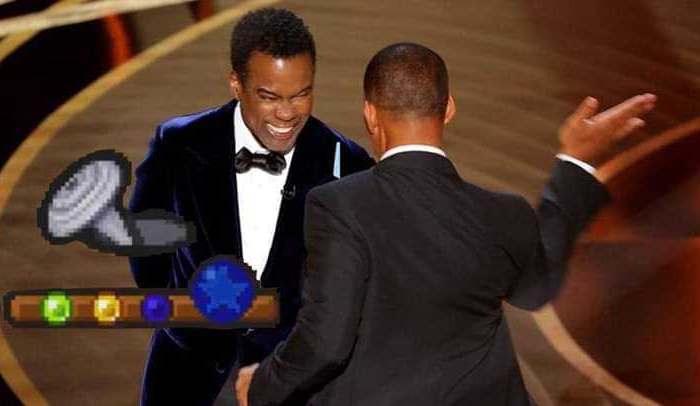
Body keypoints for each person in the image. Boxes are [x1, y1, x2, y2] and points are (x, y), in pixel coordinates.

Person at [235, 43, 656, 405]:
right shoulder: (503, 213)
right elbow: (535, 288)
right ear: (449, 108)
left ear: (370, 114)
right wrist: (575, 160)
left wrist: (262, 386)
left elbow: (325, 343)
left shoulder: (338, 205)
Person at [128, 8, 374, 405]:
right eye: (269, 96)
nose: (287, 113)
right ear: (236, 84)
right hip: (187, 378)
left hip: (294, 386)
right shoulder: (179, 144)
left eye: (301, 93)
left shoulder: (347, 162)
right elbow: (146, 251)